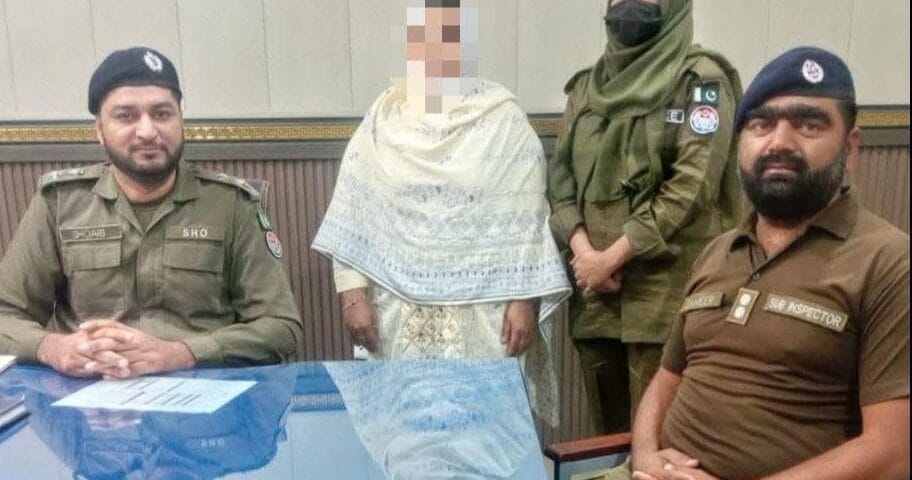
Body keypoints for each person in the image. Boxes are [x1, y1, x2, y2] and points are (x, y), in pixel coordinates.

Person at [599, 46, 910, 480]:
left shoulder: (889, 261)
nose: (780, 142)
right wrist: (646, 456)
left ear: (851, 147)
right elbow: (666, 380)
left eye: (810, 124)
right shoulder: (717, 251)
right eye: (761, 124)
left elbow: (894, 452)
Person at [312, 0, 571, 424]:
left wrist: (525, 299)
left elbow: (529, 215)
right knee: (405, 430)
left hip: (483, 316)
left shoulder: (503, 120)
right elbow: (352, 212)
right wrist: (353, 295)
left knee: (484, 430)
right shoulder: (384, 118)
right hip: (398, 315)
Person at [0, 47, 303, 380]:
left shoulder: (231, 204)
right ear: (99, 130)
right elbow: (5, 313)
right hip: (88, 391)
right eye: (126, 116)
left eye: (161, 114)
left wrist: (181, 353)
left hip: (201, 387)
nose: (147, 131)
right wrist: (53, 348)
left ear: (181, 119)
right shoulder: (59, 203)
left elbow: (281, 326)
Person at [547, 0, 742, 433]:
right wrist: (585, 255)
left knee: (663, 439)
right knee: (607, 439)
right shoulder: (587, 87)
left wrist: (611, 258)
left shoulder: (701, 82)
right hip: (595, 296)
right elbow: (559, 181)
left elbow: (693, 187)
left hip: (665, 297)